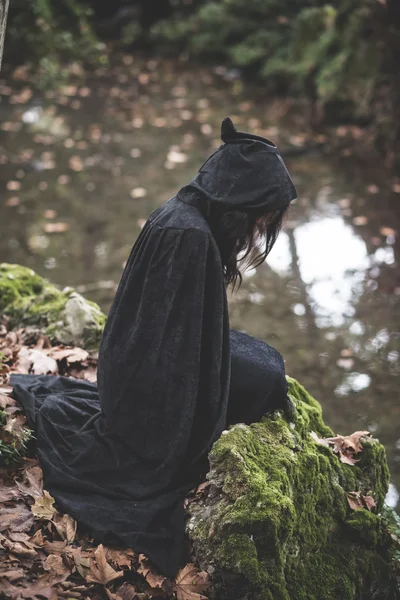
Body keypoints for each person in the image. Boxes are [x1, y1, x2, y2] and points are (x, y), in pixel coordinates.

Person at [10, 117, 298, 578]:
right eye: (264, 213)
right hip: (146, 392)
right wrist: (190, 425)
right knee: (265, 378)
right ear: (242, 205)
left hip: (139, 361)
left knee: (263, 361)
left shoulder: (185, 213)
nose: (264, 224)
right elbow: (171, 357)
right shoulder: (191, 236)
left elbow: (178, 328)